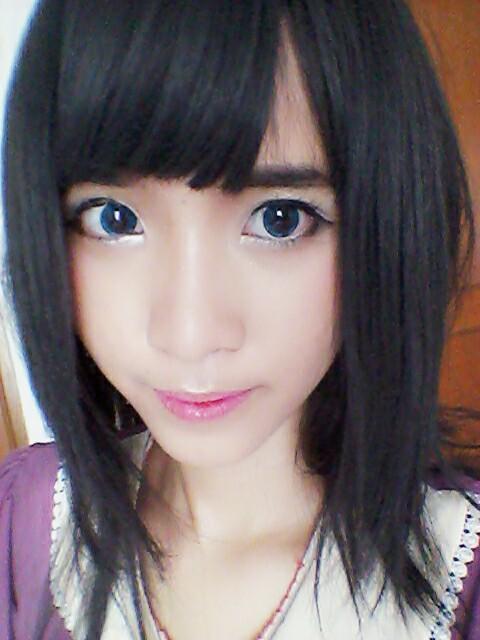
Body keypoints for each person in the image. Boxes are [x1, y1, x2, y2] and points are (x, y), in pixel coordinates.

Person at [0, 0, 479, 638]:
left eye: (280, 219)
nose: (190, 335)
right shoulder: (21, 525)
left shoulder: (460, 576)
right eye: (114, 218)